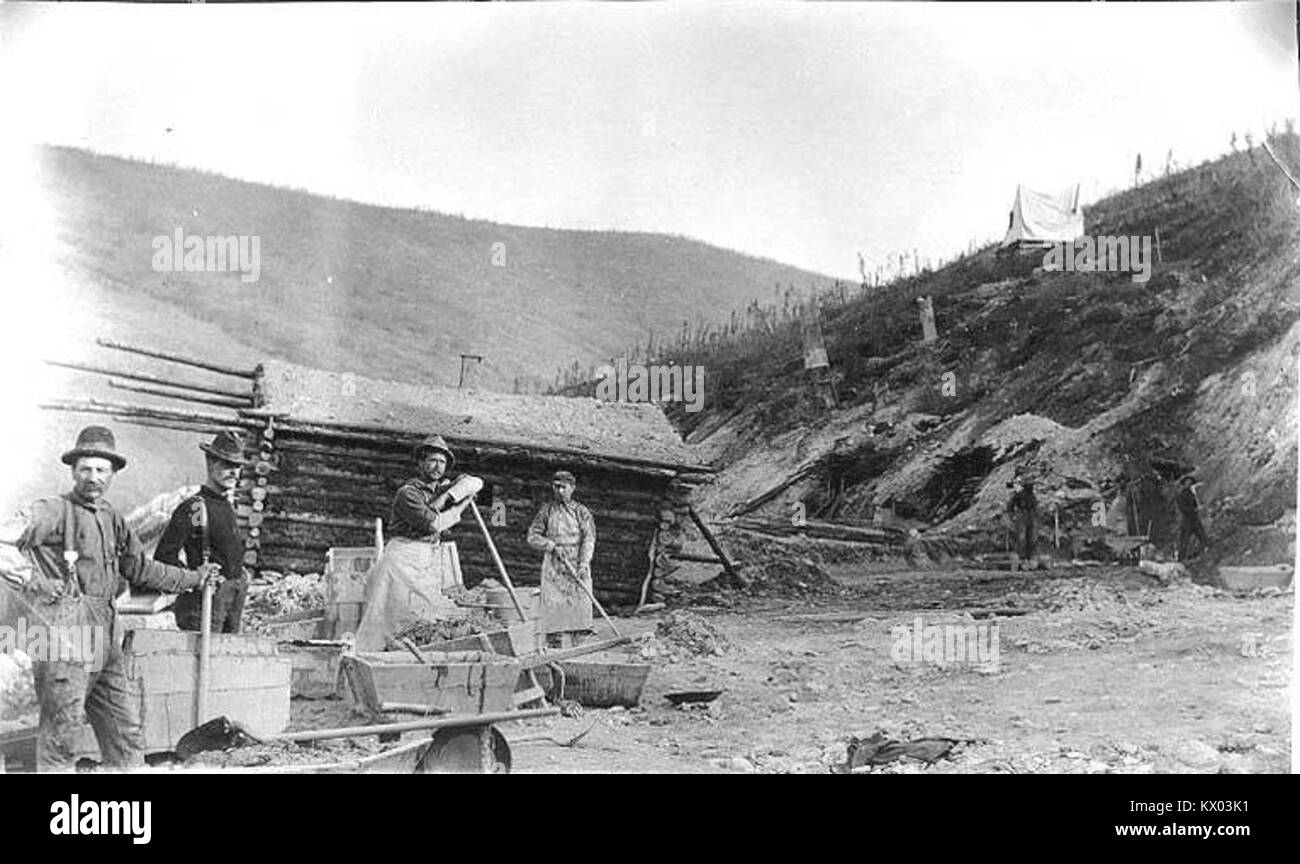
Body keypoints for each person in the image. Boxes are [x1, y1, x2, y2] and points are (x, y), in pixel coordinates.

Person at [11, 426, 221, 771]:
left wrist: (194, 578)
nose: (93, 477)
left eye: (101, 470)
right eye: (85, 469)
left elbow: (141, 569)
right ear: (73, 470)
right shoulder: (52, 510)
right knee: (61, 738)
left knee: (126, 735)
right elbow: (4, 540)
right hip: (63, 636)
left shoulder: (112, 519)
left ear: (113, 473)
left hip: (106, 638)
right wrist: (33, 581)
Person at [355, 434, 480, 652]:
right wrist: (458, 504)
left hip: (424, 560)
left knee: (420, 619)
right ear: (420, 463)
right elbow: (433, 524)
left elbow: (476, 482)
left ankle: (411, 665)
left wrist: (457, 488)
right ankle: (369, 663)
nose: (437, 466)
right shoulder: (408, 493)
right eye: (432, 460)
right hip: (401, 561)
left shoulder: (437, 490)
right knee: (386, 622)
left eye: (442, 462)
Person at [155, 429, 250, 633]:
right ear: (210, 462)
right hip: (204, 604)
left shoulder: (227, 505)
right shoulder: (195, 508)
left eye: (237, 466)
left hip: (232, 600)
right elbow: (164, 556)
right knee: (203, 662)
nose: (233, 472)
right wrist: (194, 579)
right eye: (226, 464)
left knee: (228, 657)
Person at [527, 471, 596, 649]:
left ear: (572, 488)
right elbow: (532, 537)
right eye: (555, 486)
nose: (559, 491)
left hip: (577, 561)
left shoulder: (582, 512)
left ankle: (579, 646)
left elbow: (589, 539)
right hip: (554, 564)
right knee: (554, 607)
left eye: (563, 487)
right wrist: (550, 546)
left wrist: (583, 564)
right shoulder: (546, 510)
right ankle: (554, 645)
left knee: (579, 606)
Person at [1176, 474, 1209, 561]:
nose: (1189, 484)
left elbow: (1196, 504)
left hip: (1195, 520)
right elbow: (1182, 508)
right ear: (1184, 484)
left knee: (1203, 538)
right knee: (1184, 541)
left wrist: (1198, 508)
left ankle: (1198, 556)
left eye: (1190, 482)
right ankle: (1181, 560)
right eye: (1187, 482)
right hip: (1187, 521)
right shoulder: (1181, 494)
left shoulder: (1192, 494)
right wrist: (1194, 509)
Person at [1006, 479, 1038, 562]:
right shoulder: (1019, 494)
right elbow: (1010, 505)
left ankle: (1029, 555)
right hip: (1022, 515)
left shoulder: (1032, 495)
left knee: (1031, 537)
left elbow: (1035, 506)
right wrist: (1012, 516)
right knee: (1022, 537)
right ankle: (1021, 556)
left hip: (1030, 515)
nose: (1031, 487)